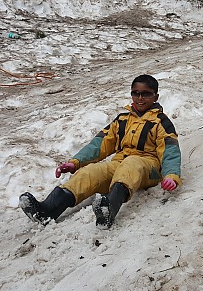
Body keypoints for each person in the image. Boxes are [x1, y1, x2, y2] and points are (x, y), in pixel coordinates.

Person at [19, 74, 182, 228]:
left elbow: (170, 151)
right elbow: (100, 143)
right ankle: (46, 211)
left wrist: (171, 175)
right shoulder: (122, 120)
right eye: (136, 93)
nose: (140, 98)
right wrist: (75, 162)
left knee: (132, 163)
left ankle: (109, 208)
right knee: (91, 172)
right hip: (120, 164)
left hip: (148, 168)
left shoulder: (161, 122)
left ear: (155, 97)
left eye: (146, 94)